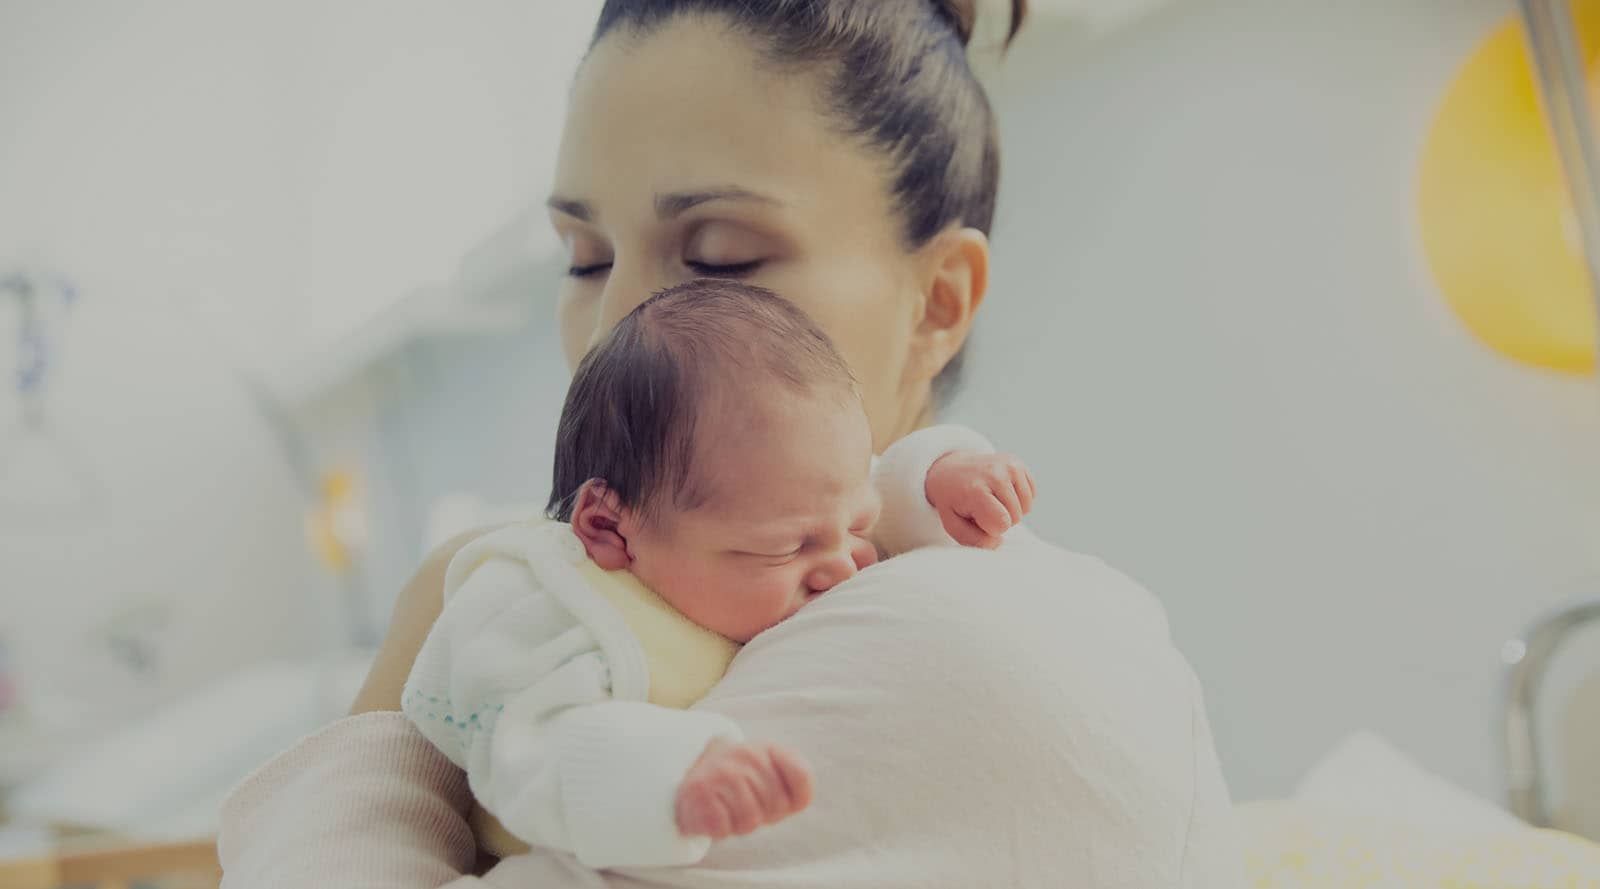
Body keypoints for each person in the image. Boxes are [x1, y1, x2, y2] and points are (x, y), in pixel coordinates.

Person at [218, 2, 1243, 886]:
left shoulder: (975, 647)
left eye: (720, 259)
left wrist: (394, 700)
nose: (615, 325)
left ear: (937, 302)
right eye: (582, 260)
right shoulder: (622, 613)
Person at [402, 280, 1036, 867]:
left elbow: (878, 483)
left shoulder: (787, 502)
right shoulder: (552, 609)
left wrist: (942, 479)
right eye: (786, 549)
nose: (845, 563)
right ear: (611, 529)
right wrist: (673, 779)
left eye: (856, 526)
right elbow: (528, 753)